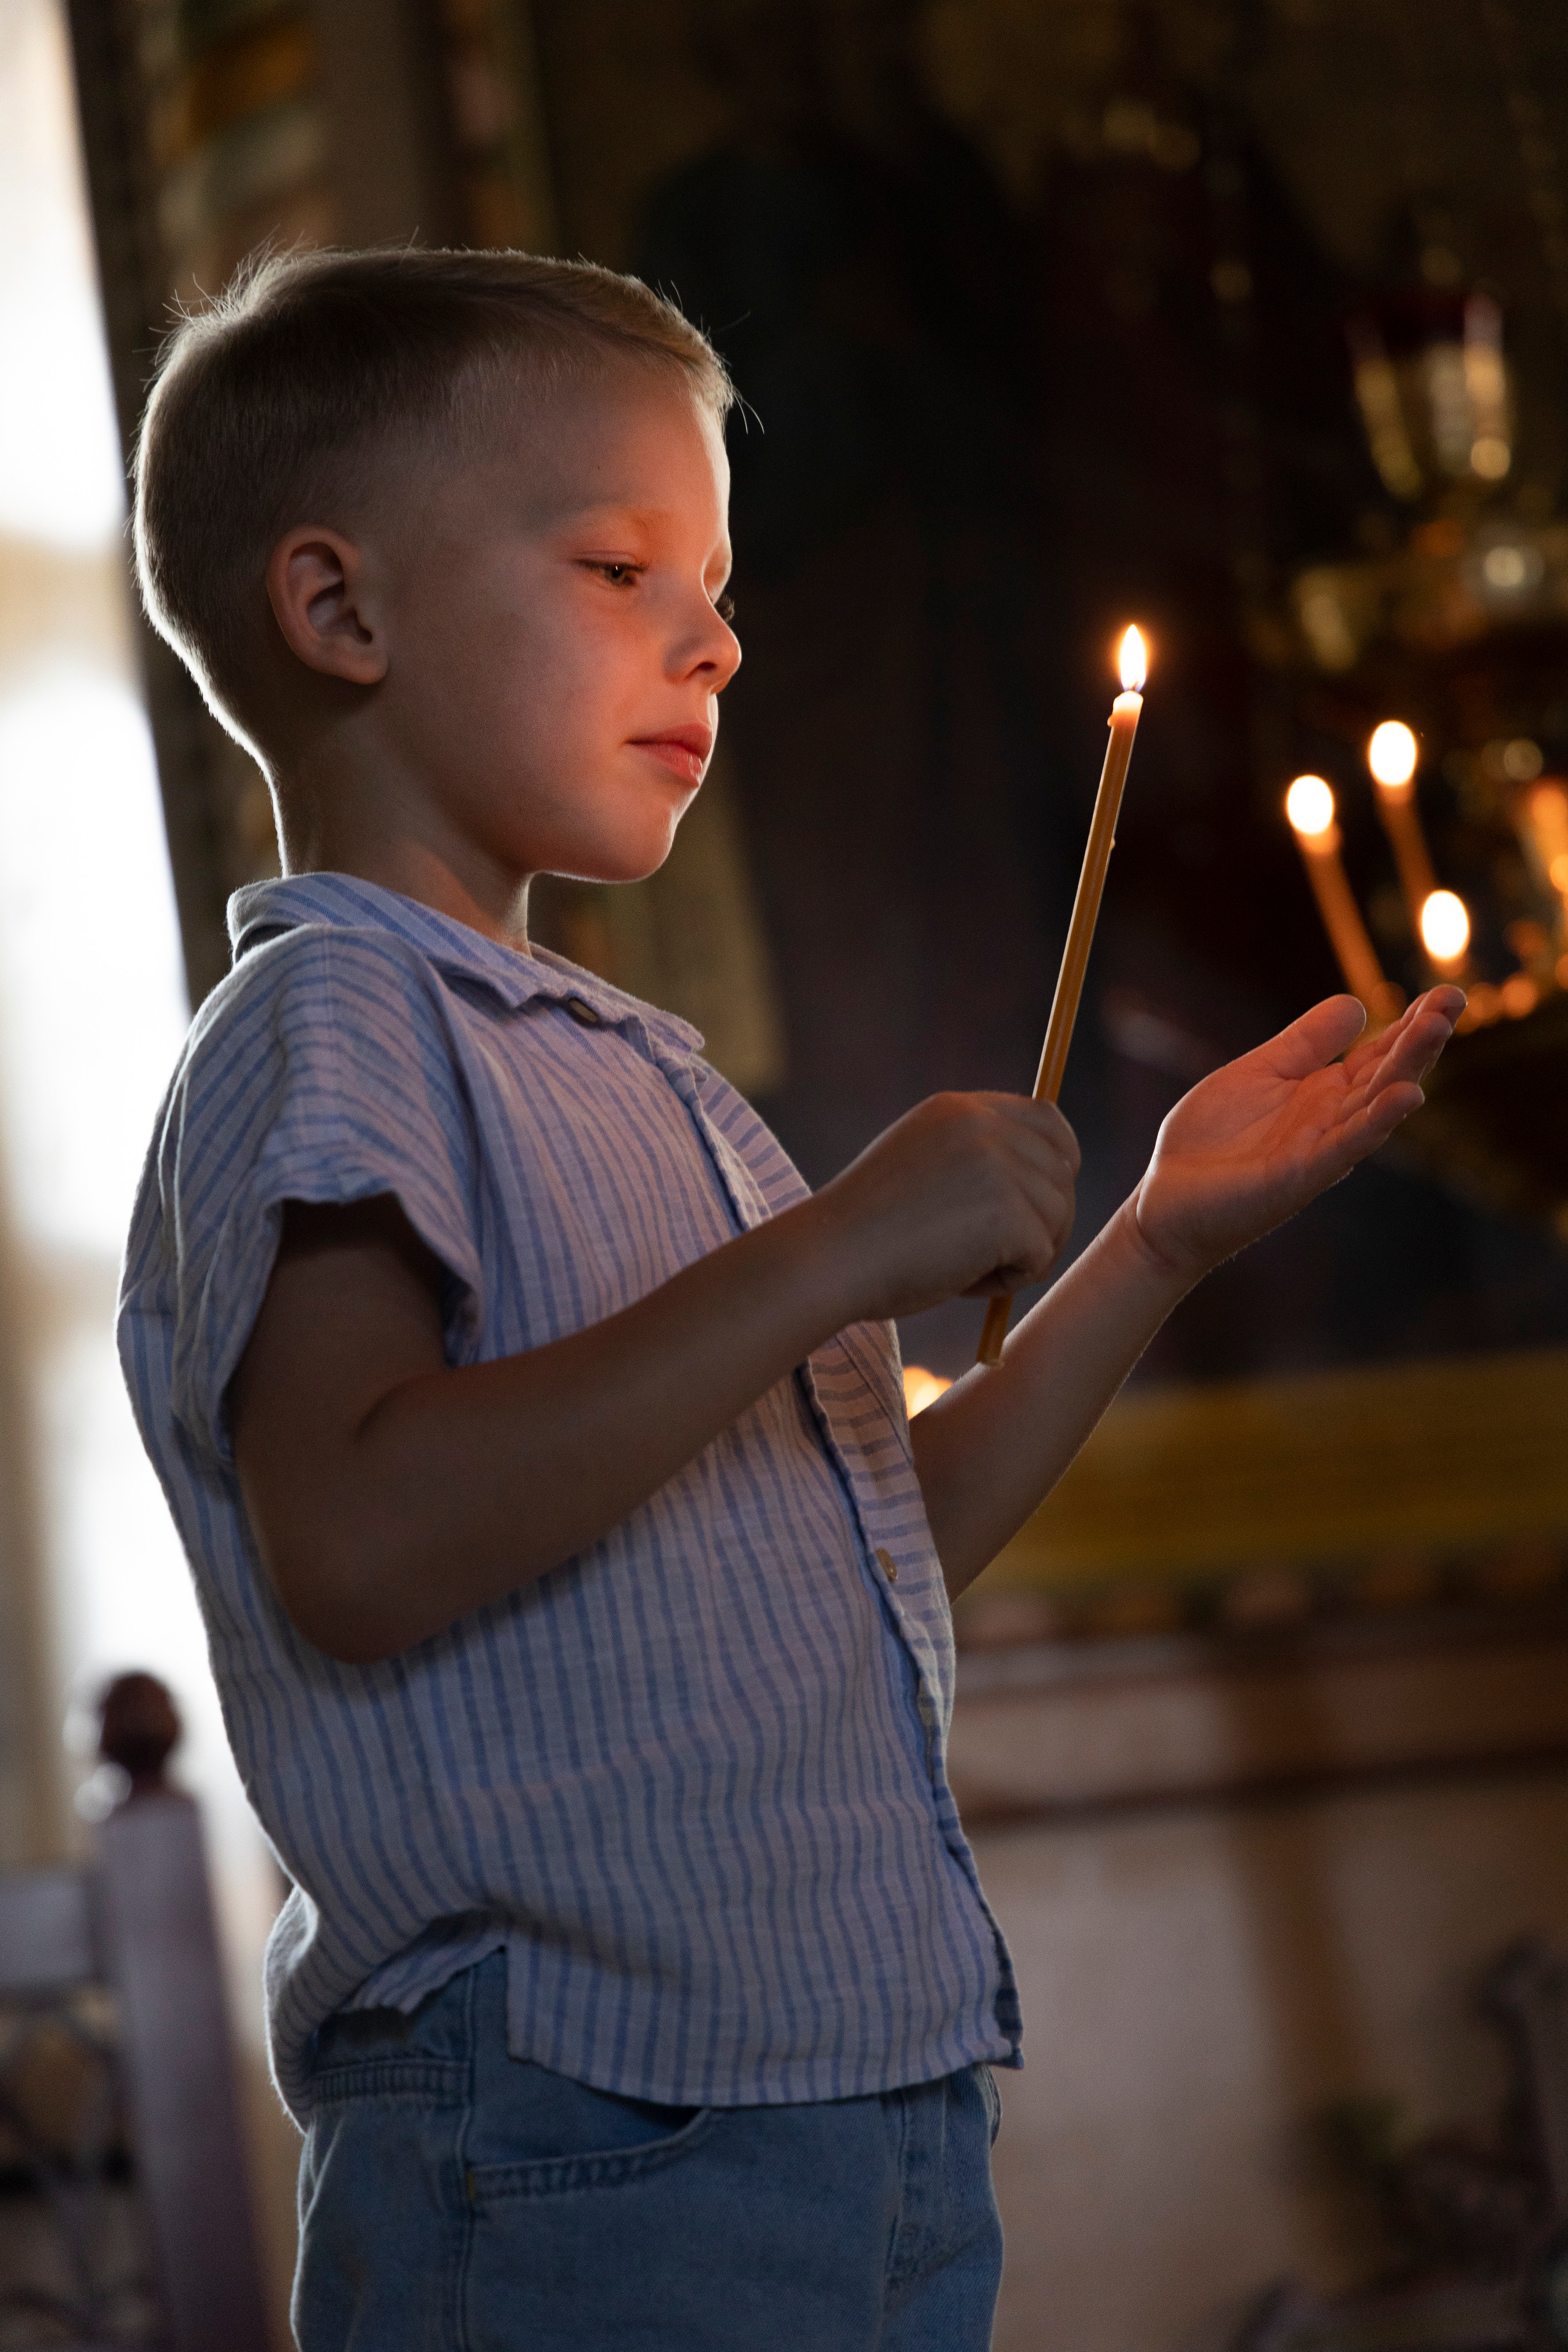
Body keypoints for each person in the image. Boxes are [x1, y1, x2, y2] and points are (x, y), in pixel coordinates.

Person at [118, 245, 1460, 2352]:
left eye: (719, 585)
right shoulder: (337, 1021)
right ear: (340, 611)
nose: (721, 642)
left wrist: (1155, 1242)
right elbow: (361, 1538)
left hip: (846, 2111)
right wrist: (831, 1250)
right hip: (575, 2138)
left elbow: (864, 1546)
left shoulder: (632, 1071)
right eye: (620, 567)